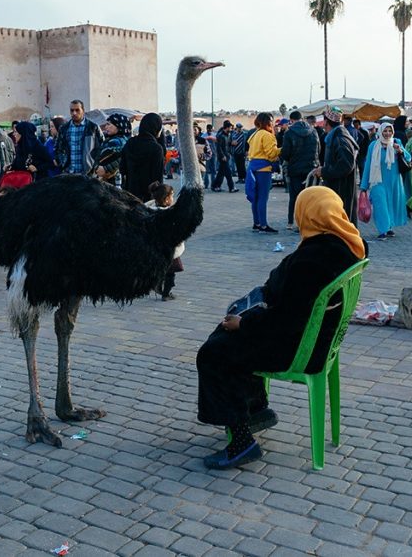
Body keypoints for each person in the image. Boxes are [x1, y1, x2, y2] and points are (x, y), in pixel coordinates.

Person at [195, 187, 367, 470]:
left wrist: (245, 323)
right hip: (317, 340)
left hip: (299, 347)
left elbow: (287, 319)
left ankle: (242, 440)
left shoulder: (313, 260)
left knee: (214, 353)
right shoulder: (347, 243)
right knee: (226, 337)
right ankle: (255, 408)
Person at [360, 123, 411, 240]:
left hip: (394, 181)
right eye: (385, 131)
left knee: (391, 205)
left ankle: (389, 228)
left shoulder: (396, 143)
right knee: (380, 205)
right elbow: (368, 165)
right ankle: (383, 230)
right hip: (377, 181)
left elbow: (408, 158)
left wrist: (400, 151)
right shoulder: (373, 146)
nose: (387, 133)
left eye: (390, 131)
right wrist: (364, 186)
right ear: (380, 132)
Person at [316, 106, 359, 224]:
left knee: (342, 225)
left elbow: (346, 165)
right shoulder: (337, 136)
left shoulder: (340, 139)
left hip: (341, 190)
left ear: (325, 122)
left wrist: (324, 171)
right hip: (339, 189)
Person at [144, 181, 185, 301]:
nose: (173, 198)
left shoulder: (149, 210)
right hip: (170, 248)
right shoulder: (169, 214)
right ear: (166, 199)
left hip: (155, 248)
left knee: (160, 269)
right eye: (172, 195)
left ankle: (157, 285)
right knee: (170, 272)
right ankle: (166, 293)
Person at [279, 110, 319, 230]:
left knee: (294, 197)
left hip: (295, 169)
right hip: (311, 169)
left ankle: (291, 222)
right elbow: (319, 150)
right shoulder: (313, 131)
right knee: (309, 197)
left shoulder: (289, 133)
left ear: (291, 120)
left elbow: (285, 153)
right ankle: (308, 222)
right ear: (302, 119)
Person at [246, 112, 280, 233]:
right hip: (263, 170)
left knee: (255, 197)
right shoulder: (267, 135)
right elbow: (271, 153)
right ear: (268, 122)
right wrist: (282, 149)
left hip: (253, 168)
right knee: (262, 198)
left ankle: (257, 223)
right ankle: (264, 225)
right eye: (271, 120)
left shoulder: (254, 134)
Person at [120, 112, 165, 202]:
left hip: (130, 193)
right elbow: (157, 177)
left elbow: (122, 168)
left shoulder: (130, 142)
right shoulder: (156, 148)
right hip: (148, 197)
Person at [91, 113, 131, 186]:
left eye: (109, 124)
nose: (106, 127)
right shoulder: (111, 140)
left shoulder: (117, 142)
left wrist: (106, 168)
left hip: (114, 182)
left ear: (119, 126)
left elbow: (118, 161)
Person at [211, 120, 238, 192]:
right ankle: (231, 187)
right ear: (226, 128)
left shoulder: (228, 135)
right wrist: (222, 156)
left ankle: (215, 186)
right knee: (228, 173)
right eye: (230, 128)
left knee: (221, 173)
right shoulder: (220, 135)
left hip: (227, 155)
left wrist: (232, 143)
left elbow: (227, 145)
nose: (231, 129)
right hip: (223, 157)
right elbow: (219, 147)